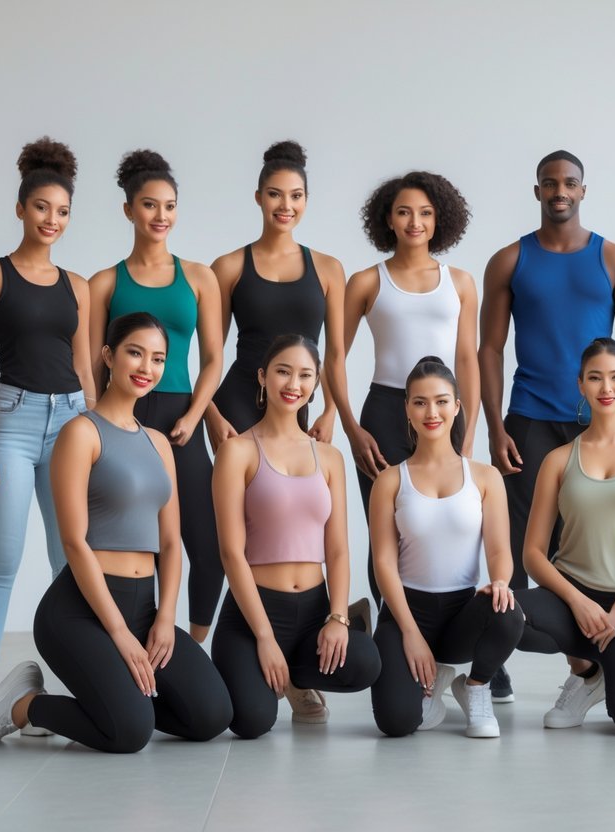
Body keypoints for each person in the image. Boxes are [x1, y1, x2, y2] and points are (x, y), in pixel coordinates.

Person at [0, 313, 232, 752]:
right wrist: (119, 633)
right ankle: (23, 705)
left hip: (144, 608)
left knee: (211, 715)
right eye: (135, 352)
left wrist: (165, 618)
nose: (147, 367)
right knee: (130, 733)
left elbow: (169, 542)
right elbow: (74, 542)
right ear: (108, 355)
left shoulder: (159, 443)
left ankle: (111, 700)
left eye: (158, 358)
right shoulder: (81, 433)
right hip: (79, 612)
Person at [479, 149, 615, 702]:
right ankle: (497, 655)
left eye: (570, 183)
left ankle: (598, 649)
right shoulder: (510, 260)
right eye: (550, 183)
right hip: (528, 417)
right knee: (513, 540)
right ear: (537, 191)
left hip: (598, 422)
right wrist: (493, 425)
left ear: (583, 191)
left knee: (587, 541)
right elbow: (489, 348)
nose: (560, 191)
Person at [0, 138, 95, 728]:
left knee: (71, 556)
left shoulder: (79, 285)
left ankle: (75, 679)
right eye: (42, 208)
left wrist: (98, 434)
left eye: (62, 211)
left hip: (71, 421)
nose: (52, 220)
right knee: (4, 557)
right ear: (21, 209)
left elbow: (88, 369)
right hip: (11, 423)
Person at [211, 335, 381, 739]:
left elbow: (337, 550)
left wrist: (338, 617)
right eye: (283, 371)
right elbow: (231, 553)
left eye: (305, 375)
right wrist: (265, 637)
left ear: (316, 383)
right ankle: (269, 667)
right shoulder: (236, 452)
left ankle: (297, 677)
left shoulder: (330, 457)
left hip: (312, 610)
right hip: (254, 613)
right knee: (252, 721)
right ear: (262, 377)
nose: (293, 384)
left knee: (365, 663)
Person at [89, 149, 224, 644]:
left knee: (204, 545)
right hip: (122, 420)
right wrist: (98, 426)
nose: (160, 216)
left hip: (178, 415)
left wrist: (194, 414)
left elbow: (213, 359)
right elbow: (91, 364)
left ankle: (189, 646)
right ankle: (127, 642)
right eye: (149, 205)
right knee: (134, 540)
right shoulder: (106, 282)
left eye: (169, 206)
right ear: (129, 210)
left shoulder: (199, 277)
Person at [327, 171, 479, 604]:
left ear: (439, 220)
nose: (416, 221)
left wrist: (467, 434)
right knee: (387, 529)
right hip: (386, 410)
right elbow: (334, 357)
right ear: (388, 219)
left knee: (451, 522)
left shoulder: (461, 282)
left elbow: (466, 359)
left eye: (426, 213)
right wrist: (350, 427)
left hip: (446, 411)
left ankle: (448, 642)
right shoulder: (367, 281)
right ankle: (395, 635)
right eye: (405, 212)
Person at [515, 338, 615, 734]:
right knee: (504, 617)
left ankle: (603, 669)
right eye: (595, 378)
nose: (606, 388)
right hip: (568, 595)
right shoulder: (559, 459)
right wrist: (577, 601)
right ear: (580, 385)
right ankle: (585, 674)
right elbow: (533, 553)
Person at [368, 358, 523, 739]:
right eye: (420, 402)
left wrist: (501, 581)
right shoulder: (390, 480)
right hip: (406, 612)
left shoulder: (484, 477)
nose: (431, 412)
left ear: (457, 405)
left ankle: (476, 687)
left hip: (460, 616)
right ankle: (429, 679)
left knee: (509, 611)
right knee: (396, 723)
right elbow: (383, 564)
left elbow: (500, 550)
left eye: (441, 401)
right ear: (406, 408)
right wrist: (409, 631)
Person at [206, 140, 345, 449]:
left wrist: (330, 411)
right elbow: (209, 354)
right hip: (237, 402)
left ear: (307, 200)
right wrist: (210, 412)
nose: (286, 206)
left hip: (296, 398)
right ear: (258, 198)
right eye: (274, 195)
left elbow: (335, 354)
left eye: (296, 196)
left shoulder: (329, 269)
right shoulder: (228, 267)